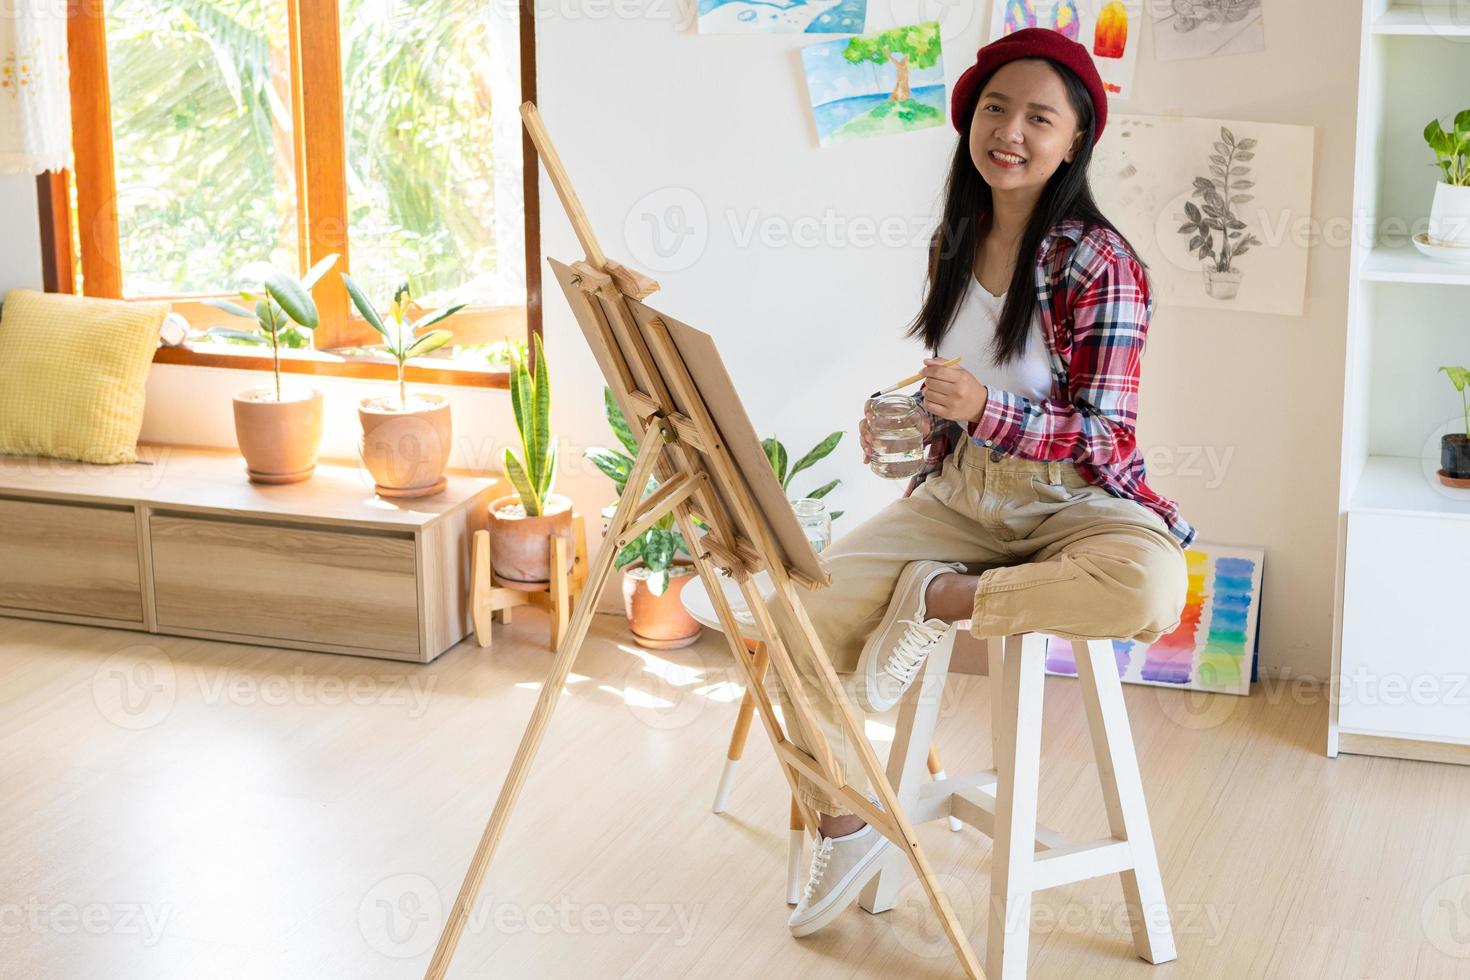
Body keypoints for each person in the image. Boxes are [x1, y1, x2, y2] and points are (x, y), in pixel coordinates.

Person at [771, 28, 1197, 938]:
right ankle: (847, 826)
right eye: (996, 108)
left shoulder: (1099, 263)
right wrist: (915, 424)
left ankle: (943, 598)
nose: (1011, 130)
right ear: (969, 118)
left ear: (1076, 138)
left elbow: (1104, 434)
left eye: (1040, 117)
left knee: (1154, 587)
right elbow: (954, 390)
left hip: (1079, 502)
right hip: (964, 493)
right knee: (788, 623)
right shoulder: (953, 242)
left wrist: (981, 411)